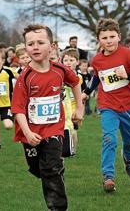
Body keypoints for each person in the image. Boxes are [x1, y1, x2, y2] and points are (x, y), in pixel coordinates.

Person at [12, 24, 83, 211]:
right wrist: (27, 132)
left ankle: (58, 207)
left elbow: (75, 83)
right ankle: (55, 172)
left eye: (40, 42)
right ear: (26, 48)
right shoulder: (25, 77)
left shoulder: (60, 70)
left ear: (51, 46)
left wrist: (80, 109)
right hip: (31, 133)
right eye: (30, 43)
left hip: (54, 129)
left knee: (51, 167)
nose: (35, 47)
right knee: (38, 170)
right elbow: (18, 109)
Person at [82, 18, 130, 193]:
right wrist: (86, 93)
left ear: (119, 37)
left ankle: (129, 158)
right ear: (99, 40)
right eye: (104, 38)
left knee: (129, 141)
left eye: (112, 36)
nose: (109, 41)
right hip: (107, 105)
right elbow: (96, 78)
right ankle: (108, 177)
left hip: (129, 106)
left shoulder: (127, 54)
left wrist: (128, 74)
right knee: (109, 138)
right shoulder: (97, 60)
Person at [62, 48, 85, 155]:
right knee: (64, 130)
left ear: (77, 62)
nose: (68, 63)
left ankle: (73, 150)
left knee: (74, 132)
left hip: (74, 108)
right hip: (63, 107)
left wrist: (81, 110)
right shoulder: (60, 75)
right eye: (66, 60)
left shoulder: (79, 77)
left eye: (71, 60)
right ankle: (63, 148)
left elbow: (84, 94)